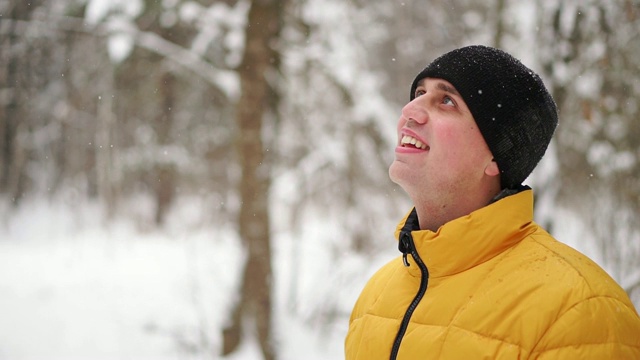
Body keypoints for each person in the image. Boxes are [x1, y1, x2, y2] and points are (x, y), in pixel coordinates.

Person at [345, 45, 640, 359]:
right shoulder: (376, 298)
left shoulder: (580, 311)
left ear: (495, 157)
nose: (410, 110)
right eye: (418, 92)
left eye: (446, 100)